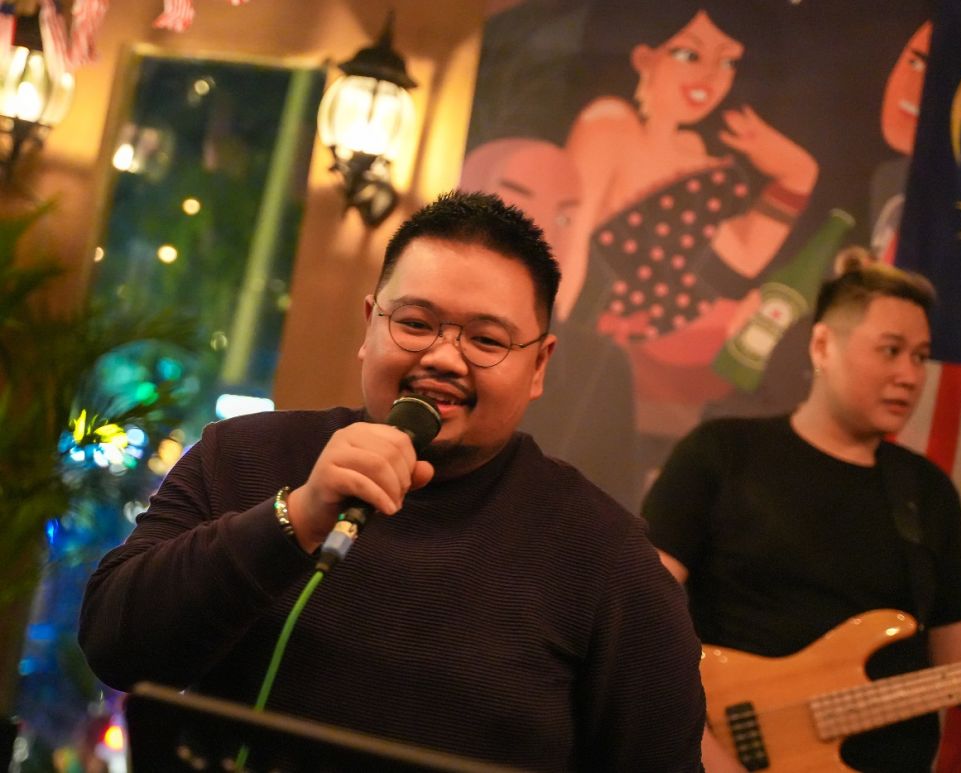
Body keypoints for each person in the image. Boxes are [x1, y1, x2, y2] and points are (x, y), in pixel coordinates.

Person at [78, 191, 705, 771]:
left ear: (539, 365)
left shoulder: (607, 558)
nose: (443, 357)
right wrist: (297, 516)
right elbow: (114, 644)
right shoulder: (242, 456)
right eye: (415, 323)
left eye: (486, 339)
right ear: (370, 324)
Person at [642, 260, 961, 772]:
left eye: (920, 357)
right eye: (890, 350)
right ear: (822, 345)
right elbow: (636, 620)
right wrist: (706, 755)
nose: (910, 376)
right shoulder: (721, 453)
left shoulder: (926, 492)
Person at [564, 1, 818, 458]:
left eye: (728, 61)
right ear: (645, 57)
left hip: (702, 340)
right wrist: (551, 338)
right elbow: (569, 244)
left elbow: (746, 255)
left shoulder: (698, 153)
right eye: (689, 54)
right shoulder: (610, 124)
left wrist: (797, 174)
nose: (709, 76)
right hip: (634, 342)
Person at [460, 138, 641, 510]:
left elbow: (617, 505)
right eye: (517, 207)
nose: (543, 232)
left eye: (565, 217)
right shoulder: (417, 337)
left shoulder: (601, 366)